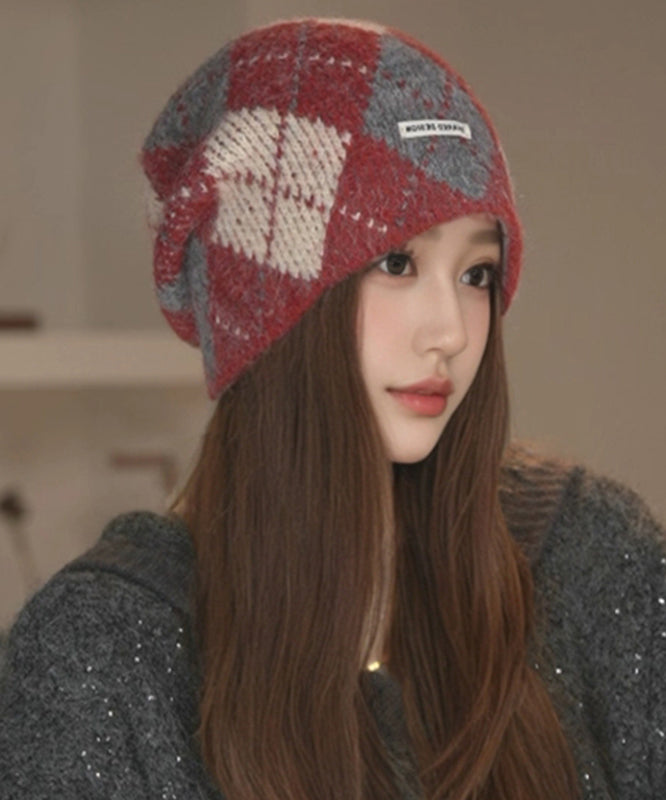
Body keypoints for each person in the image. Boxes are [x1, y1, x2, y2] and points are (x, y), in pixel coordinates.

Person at [0, 17, 664, 800]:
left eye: (476, 274)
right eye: (397, 262)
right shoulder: (101, 653)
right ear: (265, 318)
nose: (452, 332)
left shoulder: (585, 556)